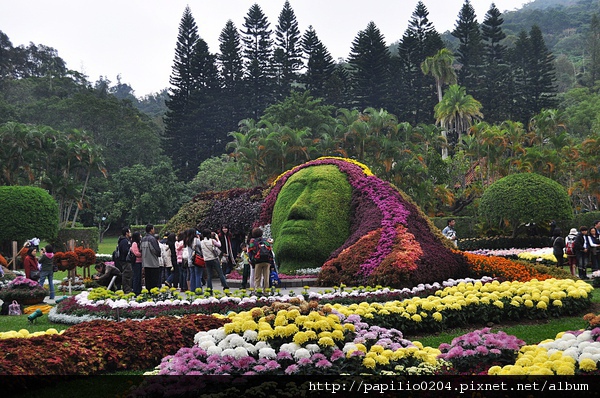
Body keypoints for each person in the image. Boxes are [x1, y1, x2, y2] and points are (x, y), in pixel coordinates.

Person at [199, 228, 229, 293]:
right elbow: (219, 245)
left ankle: (209, 288)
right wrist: (217, 238)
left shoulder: (201, 242)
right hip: (214, 259)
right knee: (220, 273)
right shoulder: (212, 241)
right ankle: (225, 286)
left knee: (209, 275)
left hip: (206, 259)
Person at [141, 224, 161, 290]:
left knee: (148, 281)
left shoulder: (143, 239)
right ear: (151, 230)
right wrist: (159, 254)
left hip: (146, 263)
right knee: (154, 281)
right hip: (153, 263)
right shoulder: (152, 239)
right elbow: (155, 250)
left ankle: (148, 293)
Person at [116, 227, 132, 293]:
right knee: (127, 275)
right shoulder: (125, 241)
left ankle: (127, 288)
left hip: (123, 260)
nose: (130, 233)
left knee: (127, 274)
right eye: (129, 232)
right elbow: (125, 251)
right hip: (125, 260)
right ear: (126, 233)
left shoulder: (122, 240)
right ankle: (127, 289)